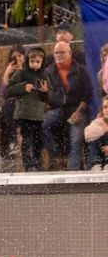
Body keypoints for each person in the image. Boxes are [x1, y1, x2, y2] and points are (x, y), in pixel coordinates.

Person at [41, 38, 93, 170]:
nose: (58, 55)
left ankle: (73, 171)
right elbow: (43, 95)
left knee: (76, 138)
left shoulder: (81, 70)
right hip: (57, 109)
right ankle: (55, 157)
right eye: (56, 53)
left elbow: (88, 93)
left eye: (61, 52)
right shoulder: (48, 72)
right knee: (40, 123)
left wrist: (78, 112)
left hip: (76, 109)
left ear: (70, 53)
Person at [7, 46, 50, 172]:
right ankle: (28, 164)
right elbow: (10, 89)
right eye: (32, 61)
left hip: (38, 115)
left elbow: (49, 97)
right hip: (24, 114)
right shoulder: (21, 73)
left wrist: (45, 91)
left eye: (38, 61)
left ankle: (37, 162)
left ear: (42, 62)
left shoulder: (44, 75)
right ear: (27, 60)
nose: (35, 64)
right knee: (26, 139)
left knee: (37, 140)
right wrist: (23, 87)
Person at [85, 94, 108, 170]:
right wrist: (105, 129)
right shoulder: (98, 121)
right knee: (95, 134)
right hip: (99, 157)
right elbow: (87, 136)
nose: (107, 110)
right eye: (105, 107)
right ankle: (96, 165)